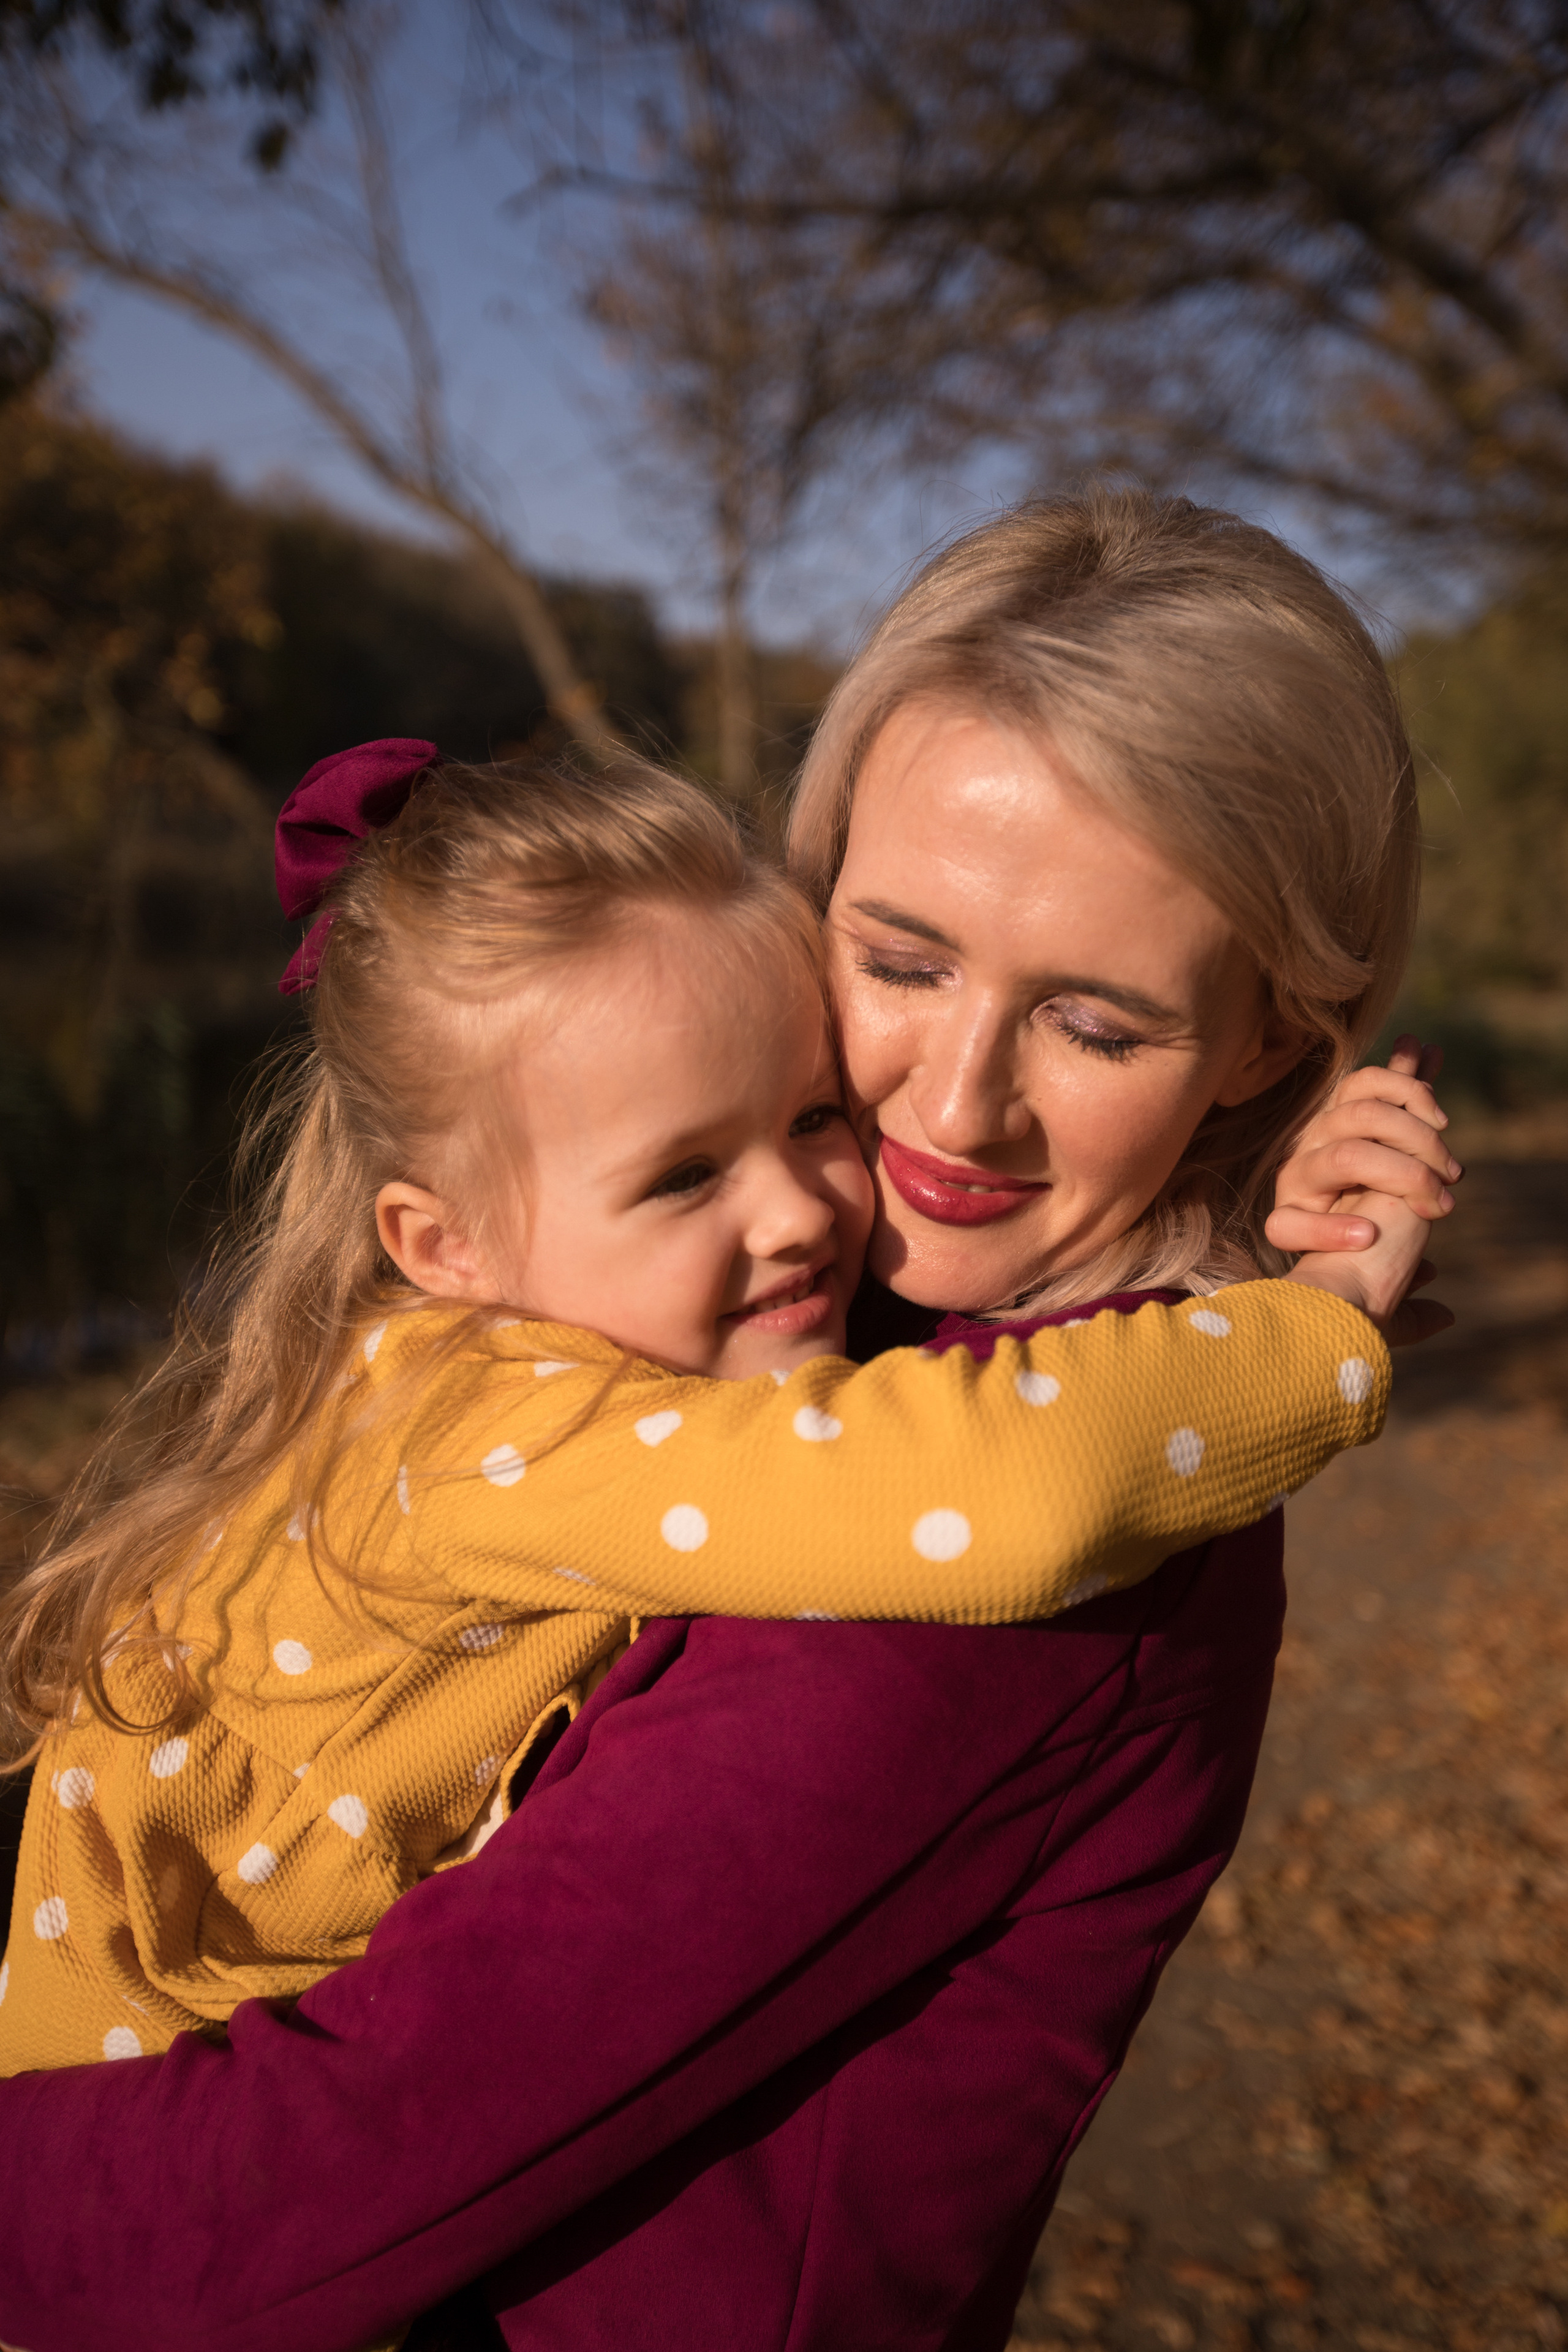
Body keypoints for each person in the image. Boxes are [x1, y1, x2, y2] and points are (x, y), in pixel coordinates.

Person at [0, 491, 1461, 2352]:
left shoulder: (999, 1574)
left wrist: (1310, 1317)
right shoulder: (761, 1326)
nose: (952, 1110)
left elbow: (249, 2219)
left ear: (1263, 1042)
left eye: (1096, 1025)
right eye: (902, 958)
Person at [0, 744, 1403, 2076]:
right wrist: (1314, 1323)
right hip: (136, 2122)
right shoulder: (501, 1432)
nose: (796, 1210)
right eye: (682, 1178)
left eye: (808, 1118)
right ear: (446, 1247)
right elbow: (994, 1490)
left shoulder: (517, 1354)